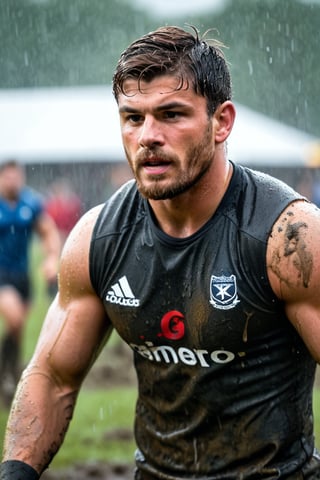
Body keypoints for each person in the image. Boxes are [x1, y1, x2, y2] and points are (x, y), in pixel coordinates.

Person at [1, 25, 320, 479]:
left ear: (222, 121)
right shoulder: (100, 237)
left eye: (171, 114)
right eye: (133, 118)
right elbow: (52, 379)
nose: (148, 135)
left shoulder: (289, 237)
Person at [0, 160, 61, 406]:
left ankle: (8, 373)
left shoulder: (30, 203)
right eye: (9, 177)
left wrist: (51, 258)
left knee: (18, 329)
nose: (14, 181)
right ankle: (9, 374)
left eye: (18, 177)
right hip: (1, 275)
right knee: (14, 318)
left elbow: (48, 231)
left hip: (23, 276)